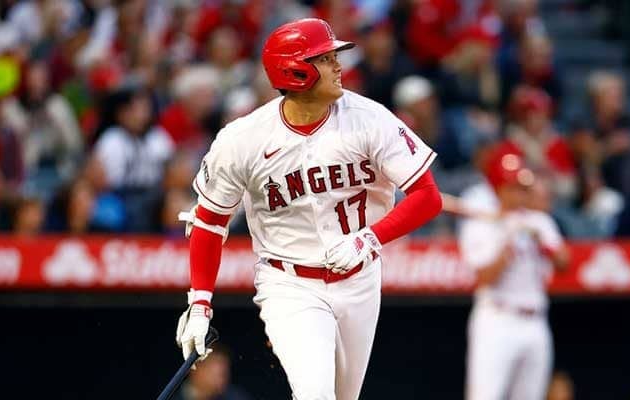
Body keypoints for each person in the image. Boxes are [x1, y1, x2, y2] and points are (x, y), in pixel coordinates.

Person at [174, 18, 442, 400]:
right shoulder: (243, 139)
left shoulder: (370, 119)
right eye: (325, 58)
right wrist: (199, 303)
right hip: (289, 282)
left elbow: (428, 197)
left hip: (360, 279)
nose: (338, 66)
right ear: (294, 71)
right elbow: (210, 221)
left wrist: (368, 239)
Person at [457, 146, 570, 400]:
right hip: (497, 319)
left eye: (522, 187)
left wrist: (541, 241)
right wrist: (507, 245)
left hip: (536, 320)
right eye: (513, 187)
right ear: (499, 189)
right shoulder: (482, 224)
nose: (520, 194)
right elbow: (483, 278)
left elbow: (565, 262)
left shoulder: (539, 221)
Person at [178, 345, 251, 400]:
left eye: (225, 374)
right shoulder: (172, 393)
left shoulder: (235, 396)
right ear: (196, 369)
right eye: (215, 375)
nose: (221, 382)